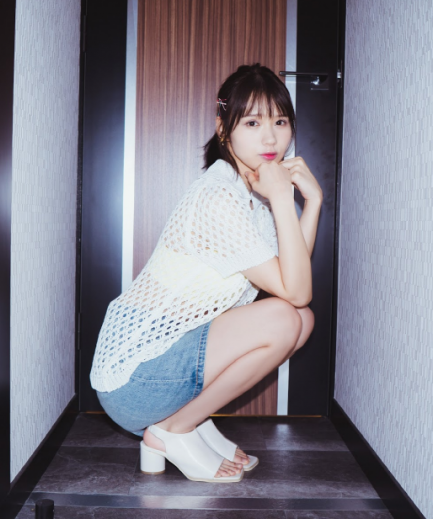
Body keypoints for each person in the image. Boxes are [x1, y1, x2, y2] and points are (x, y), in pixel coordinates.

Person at [90, 63, 322, 483]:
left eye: (280, 121)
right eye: (252, 122)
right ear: (223, 129)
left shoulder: (249, 196)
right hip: (135, 378)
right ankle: (173, 429)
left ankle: (188, 421)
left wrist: (313, 201)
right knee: (287, 317)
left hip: (168, 361)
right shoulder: (219, 197)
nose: (270, 138)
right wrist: (283, 199)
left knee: (300, 320)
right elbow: (296, 291)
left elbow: (294, 279)